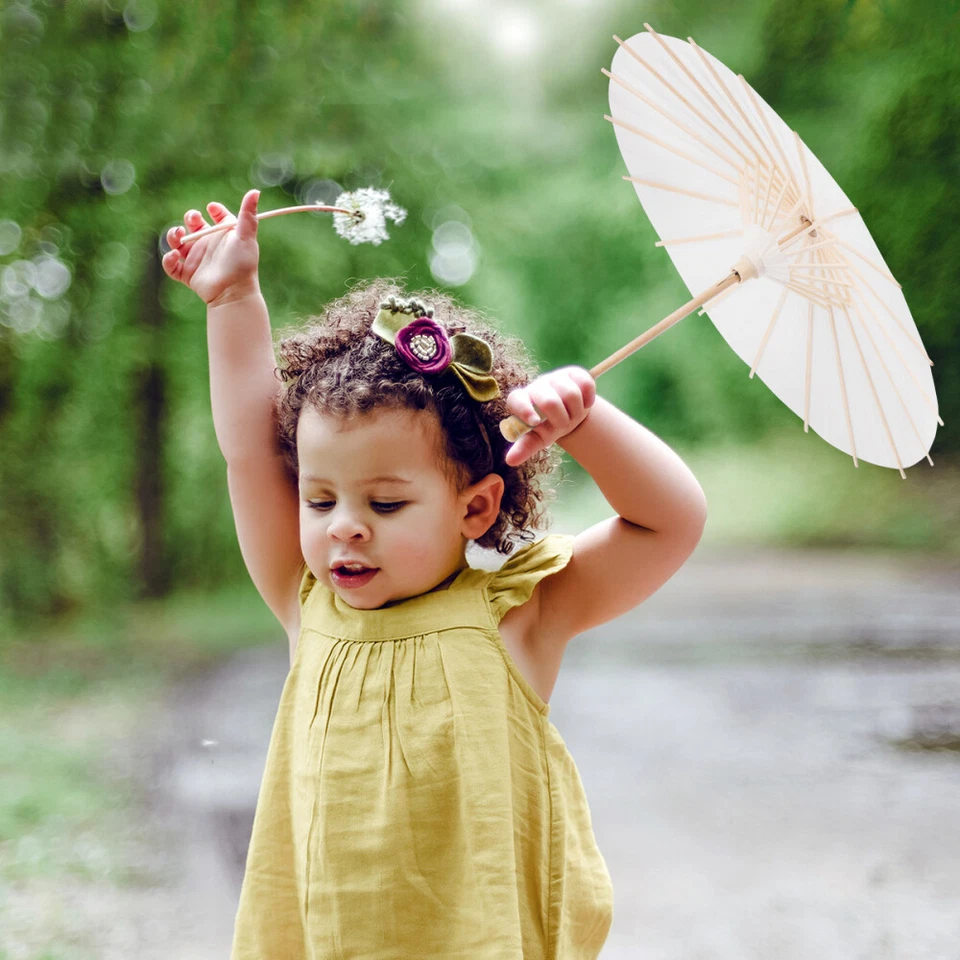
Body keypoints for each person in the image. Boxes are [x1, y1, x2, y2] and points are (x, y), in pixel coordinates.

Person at [162, 188, 708, 959]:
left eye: (385, 503)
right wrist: (233, 299)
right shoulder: (305, 598)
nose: (343, 524)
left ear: (477, 508)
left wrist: (586, 424)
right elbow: (251, 448)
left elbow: (670, 522)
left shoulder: (519, 615)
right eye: (319, 498)